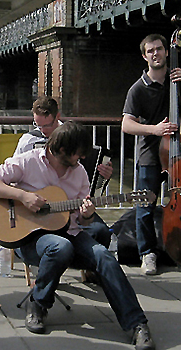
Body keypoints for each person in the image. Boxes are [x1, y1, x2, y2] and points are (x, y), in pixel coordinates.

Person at [0, 121, 155, 350]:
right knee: (59, 246)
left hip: (69, 232)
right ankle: (38, 304)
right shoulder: (29, 161)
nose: (81, 158)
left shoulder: (79, 172)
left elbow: (81, 223)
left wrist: (87, 216)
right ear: (62, 150)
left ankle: (136, 324)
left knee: (103, 255)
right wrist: (23, 196)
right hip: (30, 238)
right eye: (77, 154)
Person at [121, 33, 181, 277]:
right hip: (151, 156)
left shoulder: (177, 81)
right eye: (150, 51)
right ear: (144, 56)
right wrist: (154, 129)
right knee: (145, 206)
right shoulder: (138, 89)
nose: (156, 54)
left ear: (166, 52)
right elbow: (126, 125)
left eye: (159, 49)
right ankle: (147, 254)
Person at [15, 96, 114, 279]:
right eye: (39, 126)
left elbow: (93, 189)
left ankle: (93, 269)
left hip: (76, 205)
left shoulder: (73, 138)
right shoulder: (28, 142)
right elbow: (14, 179)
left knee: (101, 231)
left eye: (47, 125)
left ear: (57, 117)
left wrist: (103, 176)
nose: (43, 132)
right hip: (42, 210)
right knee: (57, 243)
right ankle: (51, 268)